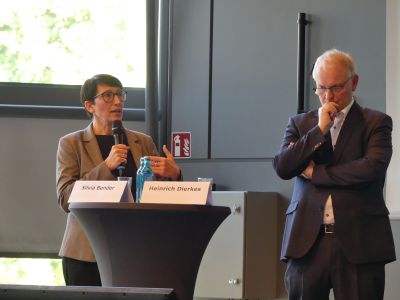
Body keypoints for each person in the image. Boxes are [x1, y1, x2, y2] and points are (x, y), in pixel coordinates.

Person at [273, 49, 396, 299]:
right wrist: (319, 130)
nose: (328, 96)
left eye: (337, 87)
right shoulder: (300, 124)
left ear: (354, 82)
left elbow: (370, 169)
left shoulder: (376, 122)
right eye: (321, 88)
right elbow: (284, 167)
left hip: (359, 240)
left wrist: (314, 173)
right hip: (306, 243)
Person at [56, 74, 182, 286]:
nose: (117, 102)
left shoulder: (142, 142)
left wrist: (174, 176)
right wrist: (106, 167)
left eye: (120, 95)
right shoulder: (71, 143)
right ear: (90, 106)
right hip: (86, 254)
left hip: (136, 250)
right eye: (107, 96)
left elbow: (157, 198)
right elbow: (65, 198)